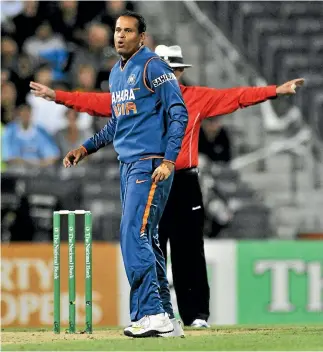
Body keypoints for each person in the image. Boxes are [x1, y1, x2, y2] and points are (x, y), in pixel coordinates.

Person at [30, 45, 304, 328]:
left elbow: (237, 97)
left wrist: (275, 91)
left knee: (189, 250)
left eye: (173, 71)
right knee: (149, 245)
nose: (168, 76)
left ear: (181, 73)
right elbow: (99, 103)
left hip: (183, 180)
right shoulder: (137, 98)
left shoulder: (195, 97)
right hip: (151, 177)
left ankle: (196, 315)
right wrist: (58, 96)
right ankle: (158, 314)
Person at [32, 12, 189, 338]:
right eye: (117, 30)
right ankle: (166, 318)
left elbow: (179, 112)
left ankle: (151, 314)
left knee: (133, 235)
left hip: (150, 164)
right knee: (147, 238)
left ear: (142, 37)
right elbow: (118, 123)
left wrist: (170, 161)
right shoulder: (117, 73)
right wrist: (85, 148)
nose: (120, 36)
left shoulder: (152, 67)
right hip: (129, 164)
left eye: (128, 31)